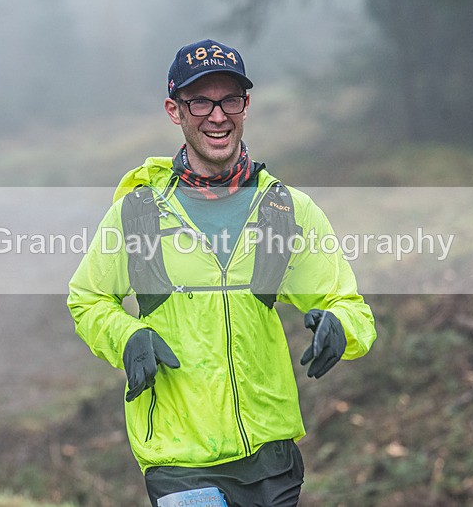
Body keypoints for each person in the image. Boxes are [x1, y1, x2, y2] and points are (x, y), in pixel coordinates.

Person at [68, 39, 376, 507]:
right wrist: (126, 335)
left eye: (230, 99)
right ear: (175, 110)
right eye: (200, 102)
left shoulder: (286, 211)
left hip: (270, 456)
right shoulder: (139, 214)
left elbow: (348, 306)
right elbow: (87, 300)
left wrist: (341, 327)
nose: (217, 115)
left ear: (246, 105)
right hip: (179, 457)